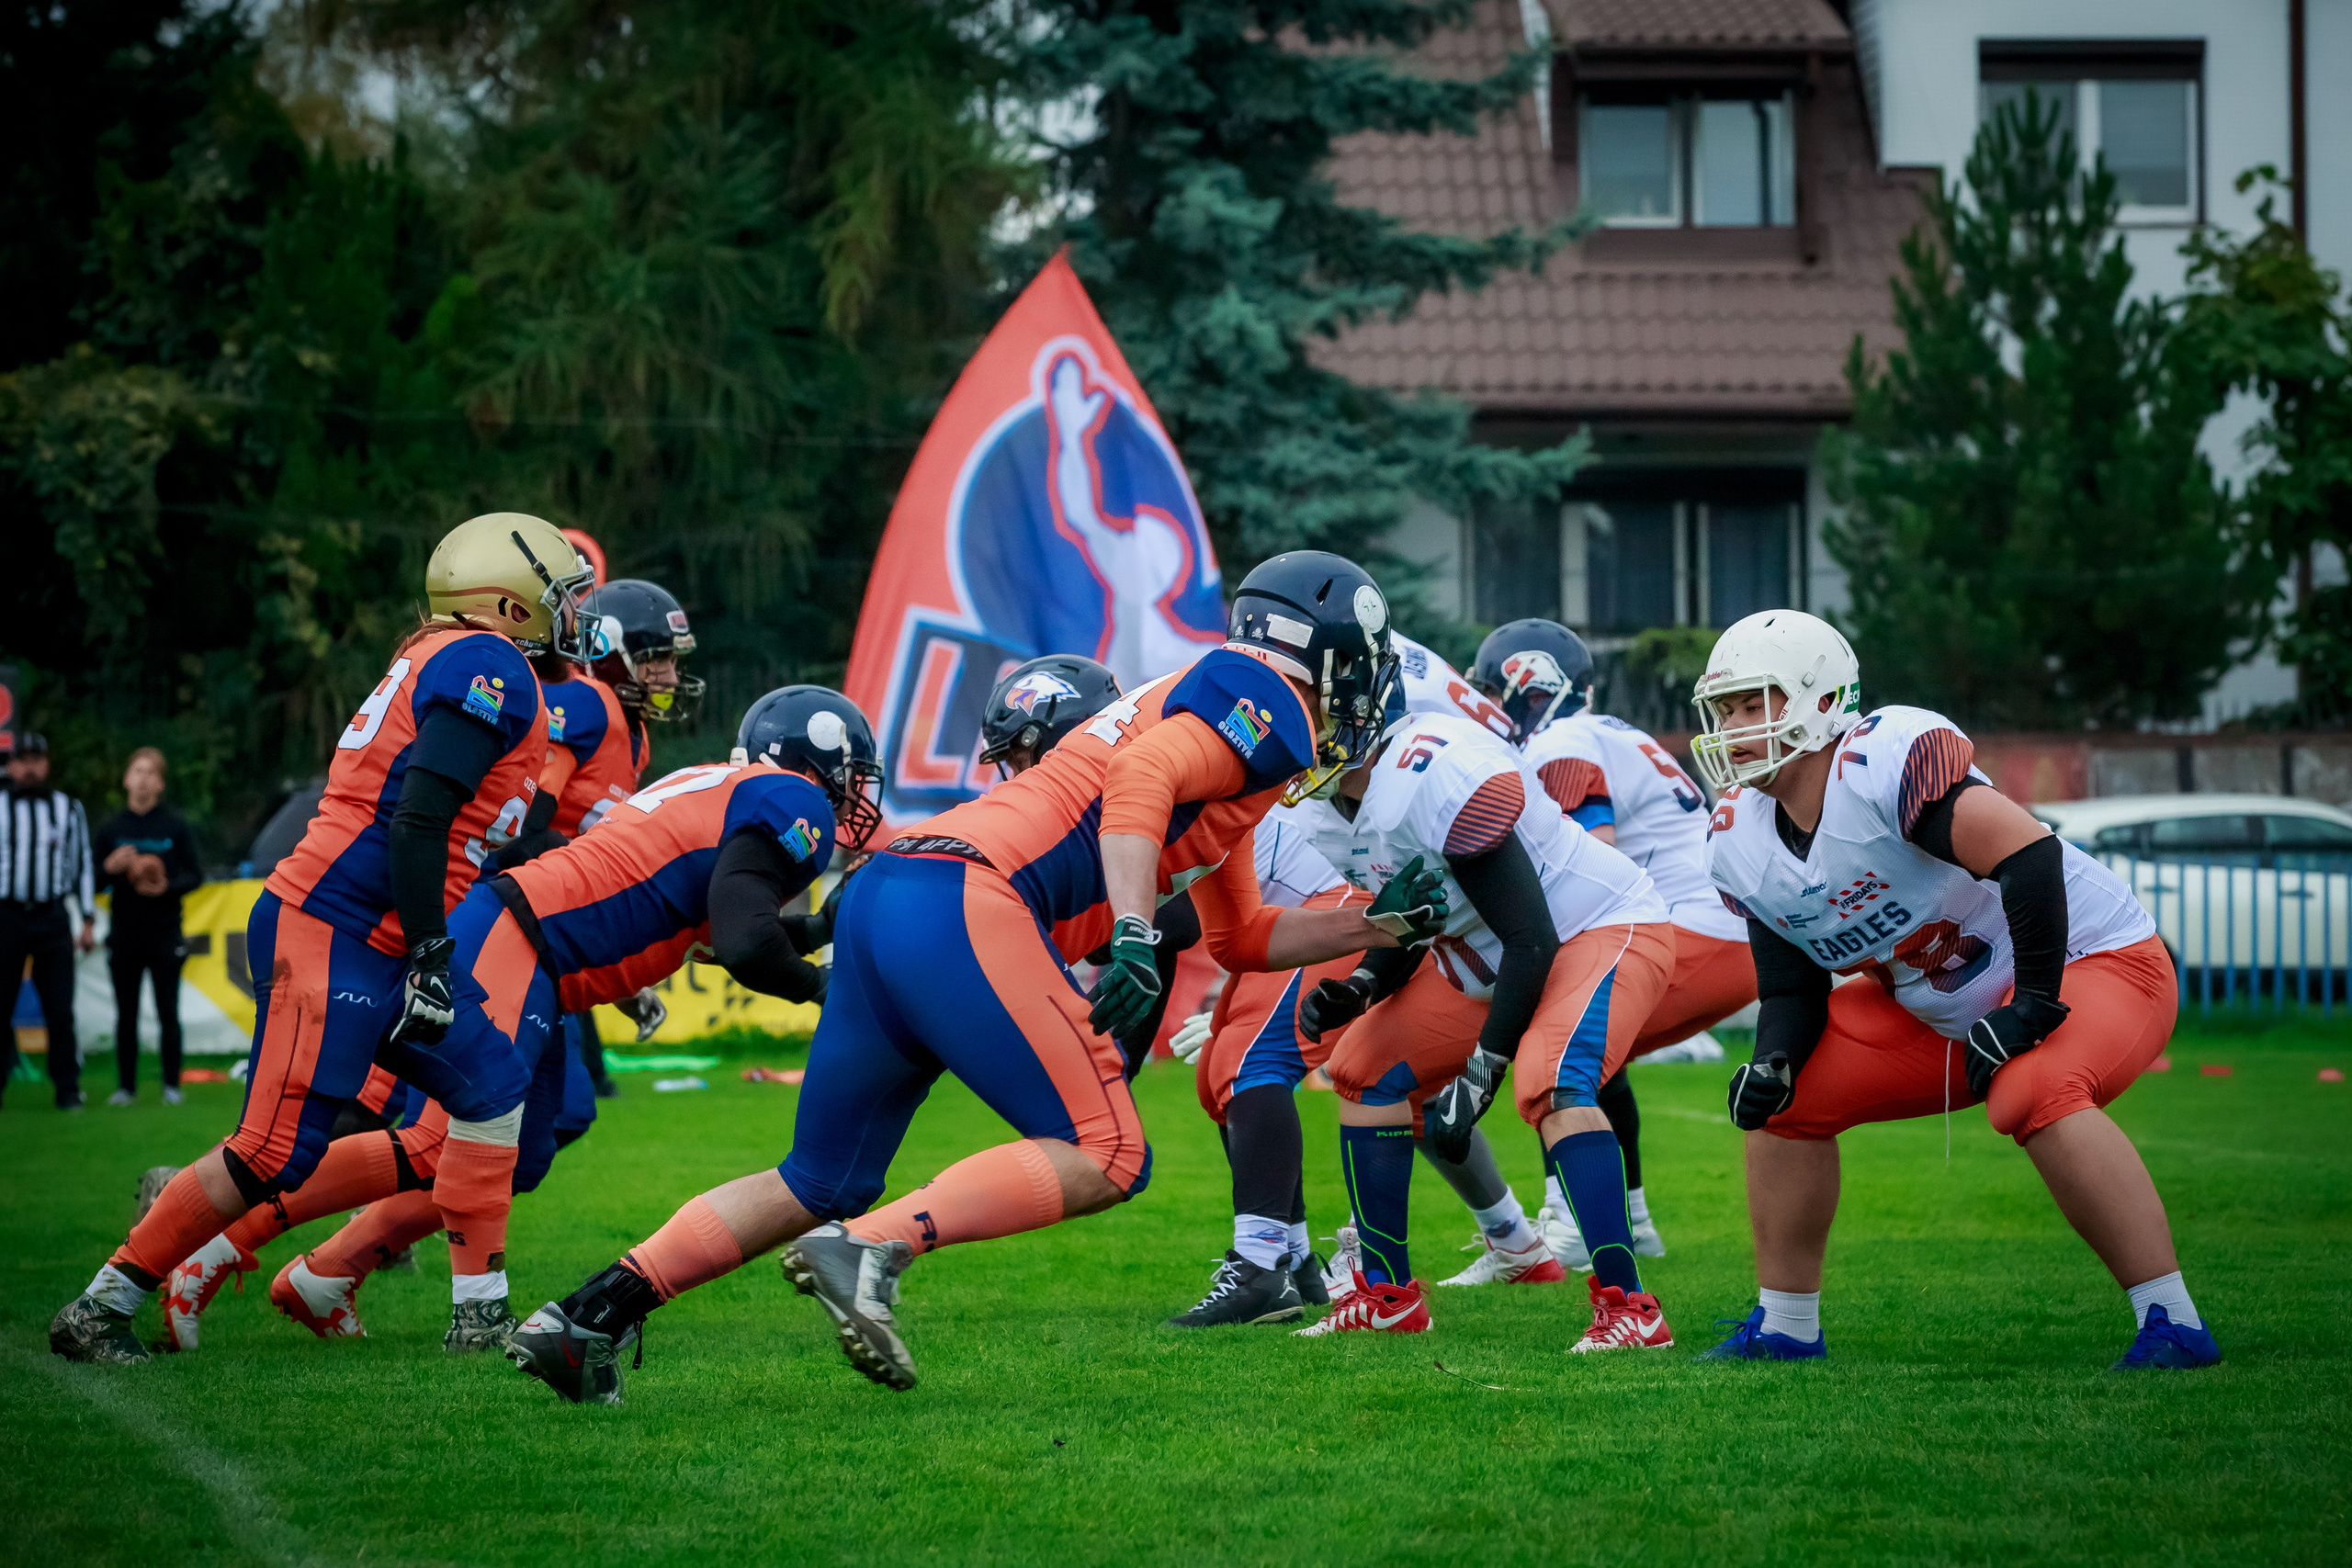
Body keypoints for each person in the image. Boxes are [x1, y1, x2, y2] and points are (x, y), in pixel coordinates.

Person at [508, 551, 1446, 1404]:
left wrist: (1373, 923)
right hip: (968, 895)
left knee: (818, 1176)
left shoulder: (1224, 734)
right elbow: (1141, 782)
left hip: (903, 890)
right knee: (1109, 1152)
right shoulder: (1268, 704)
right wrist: (1126, 929)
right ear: (1322, 651)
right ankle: (876, 1246)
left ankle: (590, 1314)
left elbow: (1241, 936)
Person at [163, 687, 863, 1352]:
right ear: (810, 762)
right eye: (849, 771)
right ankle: (227, 1248)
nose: (853, 791)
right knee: (439, 1140)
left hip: (537, 950)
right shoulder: (787, 799)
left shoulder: (726, 788)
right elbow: (742, 943)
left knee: (522, 1150)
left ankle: (327, 1273)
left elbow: (719, 934)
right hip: (522, 938)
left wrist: (817, 930)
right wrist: (828, 986)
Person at [50, 511, 588, 1366]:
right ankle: (102, 1305)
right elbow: (418, 814)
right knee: (272, 1150)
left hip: (368, 926)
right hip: (337, 926)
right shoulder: (487, 662)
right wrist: (431, 951)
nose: (571, 612)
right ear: (507, 600)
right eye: (560, 594)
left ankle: (479, 1315)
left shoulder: (439, 653)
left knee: (492, 1087)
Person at [1690, 610, 2216, 1371]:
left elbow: (2028, 855)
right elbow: (1793, 987)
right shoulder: (1740, 837)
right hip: (1941, 1007)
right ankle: (1785, 1326)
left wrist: (2033, 1004)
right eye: (1725, 709)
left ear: (1822, 699)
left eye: (1752, 703)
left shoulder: (1881, 761)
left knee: (2029, 1090)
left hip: (2089, 959)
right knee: (1786, 1099)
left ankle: (2174, 1321)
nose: (1733, 728)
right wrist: (1772, 1059)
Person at [1161, 629, 1532, 1327]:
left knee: (1255, 1061)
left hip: (1363, 894)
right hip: (1337, 890)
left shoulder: (1372, 714)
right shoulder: (1359, 681)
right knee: (1237, 1073)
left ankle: (1264, 1263)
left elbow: (1187, 905)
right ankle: (1298, 1260)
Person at [1298, 684, 1679, 1351]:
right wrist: (1359, 985)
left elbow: (1534, 937)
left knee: (1551, 1079)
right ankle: (1386, 1295)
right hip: (1487, 953)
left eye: (1313, 715)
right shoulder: (1336, 809)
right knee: (1363, 1067)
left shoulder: (1428, 772)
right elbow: (1419, 916)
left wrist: (1479, 1078)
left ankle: (1631, 1308)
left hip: (1593, 924)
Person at [1434, 618, 1758, 1281]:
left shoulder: (1561, 741)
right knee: (1595, 1056)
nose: (1485, 706)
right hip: (1725, 932)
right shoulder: (1607, 731)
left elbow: (1592, 854)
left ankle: (1565, 1221)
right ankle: (1632, 1218)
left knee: (1547, 1039)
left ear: (1531, 685)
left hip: (1692, 928)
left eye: (1494, 690)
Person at [94, 748, 205, 1106]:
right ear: (126, 778)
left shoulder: (173, 826)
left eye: (150, 773)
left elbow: (195, 875)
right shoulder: (112, 829)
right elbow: (90, 881)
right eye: (136, 771)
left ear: (159, 784)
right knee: (125, 1014)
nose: (142, 779)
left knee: (167, 1011)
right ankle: (126, 1088)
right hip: (125, 933)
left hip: (164, 932)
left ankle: (172, 1086)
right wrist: (109, 868)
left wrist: (166, 885)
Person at [1, 731, 96, 1111]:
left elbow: (82, 864)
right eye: (21, 760)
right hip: (5, 915)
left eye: (36, 759)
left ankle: (68, 1089)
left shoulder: (67, 809)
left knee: (59, 1008)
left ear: (46, 764)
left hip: (51, 916)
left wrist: (87, 918)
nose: (29, 767)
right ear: (10, 766)